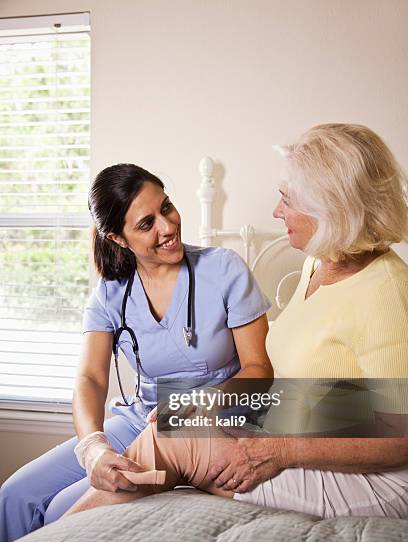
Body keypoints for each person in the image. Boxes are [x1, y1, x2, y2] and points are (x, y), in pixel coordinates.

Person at [64, 124, 408, 520]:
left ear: (330, 208)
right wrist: (208, 402)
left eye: (287, 199)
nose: (277, 211)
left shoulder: (387, 292)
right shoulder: (321, 262)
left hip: (381, 478)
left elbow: (399, 435)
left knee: (170, 442)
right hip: (310, 424)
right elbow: (316, 392)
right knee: (172, 426)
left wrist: (277, 450)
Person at [0, 164, 273, 542]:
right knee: (14, 497)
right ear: (119, 238)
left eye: (167, 207)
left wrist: (201, 402)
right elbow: (91, 379)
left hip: (210, 417)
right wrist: (92, 447)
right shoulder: (111, 293)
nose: (167, 226)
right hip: (138, 418)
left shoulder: (223, 269)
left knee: (61, 510)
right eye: (146, 224)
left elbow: (259, 369)